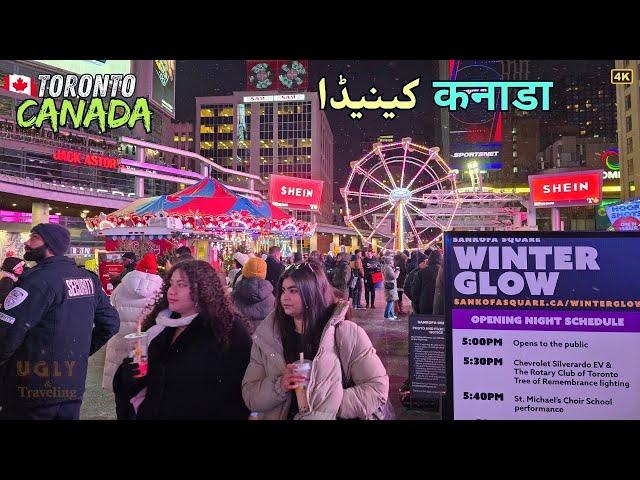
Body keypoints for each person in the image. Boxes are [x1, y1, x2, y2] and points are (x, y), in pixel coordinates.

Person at [0, 224, 119, 420]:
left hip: (29, 388)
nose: (27, 242)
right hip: (71, 387)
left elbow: (6, 334)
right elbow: (111, 323)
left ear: (50, 244)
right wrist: (78, 354)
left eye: (34, 237)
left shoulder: (37, 281)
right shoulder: (87, 279)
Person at [242, 261, 389, 420]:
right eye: (283, 291)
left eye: (293, 291)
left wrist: (329, 406)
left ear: (312, 292)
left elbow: (377, 388)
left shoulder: (345, 334)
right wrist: (279, 386)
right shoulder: (268, 337)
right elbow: (250, 395)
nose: (285, 297)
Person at [114, 260, 252, 420]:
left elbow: (240, 388)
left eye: (181, 285)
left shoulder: (227, 329)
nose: (171, 291)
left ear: (202, 289)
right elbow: (147, 383)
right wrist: (129, 375)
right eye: (171, 284)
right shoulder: (160, 327)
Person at [102, 253, 164, 393]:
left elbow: (111, 308)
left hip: (121, 338)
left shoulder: (121, 288)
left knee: (120, 383)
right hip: (144, 342)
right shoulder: (161, 290)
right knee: (141, 384)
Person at [232, 257, 275, 330]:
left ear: (245, 271)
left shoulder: (235, 294)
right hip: (264, 335)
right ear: (264, 273)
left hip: (241, 333)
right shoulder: (272, 298)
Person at [415, 250, 442, 315]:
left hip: (425, 303)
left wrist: (416, 303)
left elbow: (415, 290)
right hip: (441, 303)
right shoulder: (445, 272)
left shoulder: (421, 272)